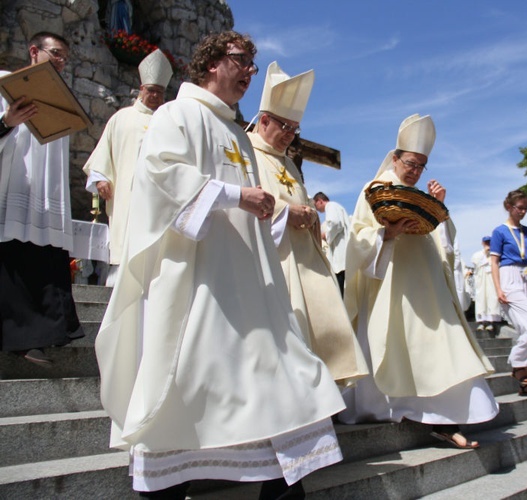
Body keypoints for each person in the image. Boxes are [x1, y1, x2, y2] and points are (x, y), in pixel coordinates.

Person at [94, 31, 346, 498]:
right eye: (241, 61)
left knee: (287, 377)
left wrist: (265, 212)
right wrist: (235, 195)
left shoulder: (236, 133)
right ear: (210, 63)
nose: (249, 71)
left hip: (250, 281)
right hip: (198, 279)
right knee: (189, 381)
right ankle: (165, 484)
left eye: (253, 63)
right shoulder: (176, 114)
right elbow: (160, 177)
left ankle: (284, 485)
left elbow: (252, 213)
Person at [341, 114, 499, 449]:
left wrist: (439, 208)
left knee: (442, 345)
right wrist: (387, 233)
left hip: (426, 284)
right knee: (396, 344)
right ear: (395, 158)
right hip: (389, 283)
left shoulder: (416, 193)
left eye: (421, 166)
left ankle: (446, 419)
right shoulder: (374, 189)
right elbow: (358, 239)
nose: (415, 170)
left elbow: (441, 238)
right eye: (411, 163)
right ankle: (401, 409)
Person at [249, 61, 367, 388]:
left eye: (295, 128)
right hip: (274, 260)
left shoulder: (289, 162)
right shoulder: (245, 154)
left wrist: (310, 217)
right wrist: (286, 214)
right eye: (284, 125)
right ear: (263, 120)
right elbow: (244, 205)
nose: (289, 134)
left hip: (307, 258)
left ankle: (319, 398)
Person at [0, 31, 83, 365]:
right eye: (56, 53)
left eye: (65, 56)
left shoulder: (62, 99)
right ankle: (21, 337)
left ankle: (49, 334)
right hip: (11, 190)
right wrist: (7, 122)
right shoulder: (5, 84)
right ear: (34, 51)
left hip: (44, 201)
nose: (61, 61)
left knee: (43, 259)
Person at [83, 48, 173, 286]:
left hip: (158, 199)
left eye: (160, 92)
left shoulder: (168, 122)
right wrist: (101, 178)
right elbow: (103, 152)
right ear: (141, 89)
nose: (155, 96)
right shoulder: (121, 118)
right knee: (125, 250)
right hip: (127, 197)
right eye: (151, 91)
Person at [489, 191, 527, 395]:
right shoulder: (500, 232)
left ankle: (525, 376)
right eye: (519, 208)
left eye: (525, 208)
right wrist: (498, 288)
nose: (522, 212)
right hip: (510, 277)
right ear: (509, 207)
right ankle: (517, 365)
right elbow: (494, 262)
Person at [313, 191, 350, 295]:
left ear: (320, 201)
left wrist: (325, 235)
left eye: (316, 206)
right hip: (341, 250)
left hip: (340, 253)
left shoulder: (331, 206)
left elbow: (334, 223)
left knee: (340, 289)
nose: (317, 210)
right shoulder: (336, 207)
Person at [473, 235, 505, 335]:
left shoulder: (495, 255)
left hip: (491, 280)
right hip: (482, 281)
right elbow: (476, 264)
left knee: (492, 298)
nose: (488, 244)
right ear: (483, 243)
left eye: (489, 242)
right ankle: (482, 321)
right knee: (481, 299)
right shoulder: (477, 255)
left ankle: (492, 321)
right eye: (486, 242)